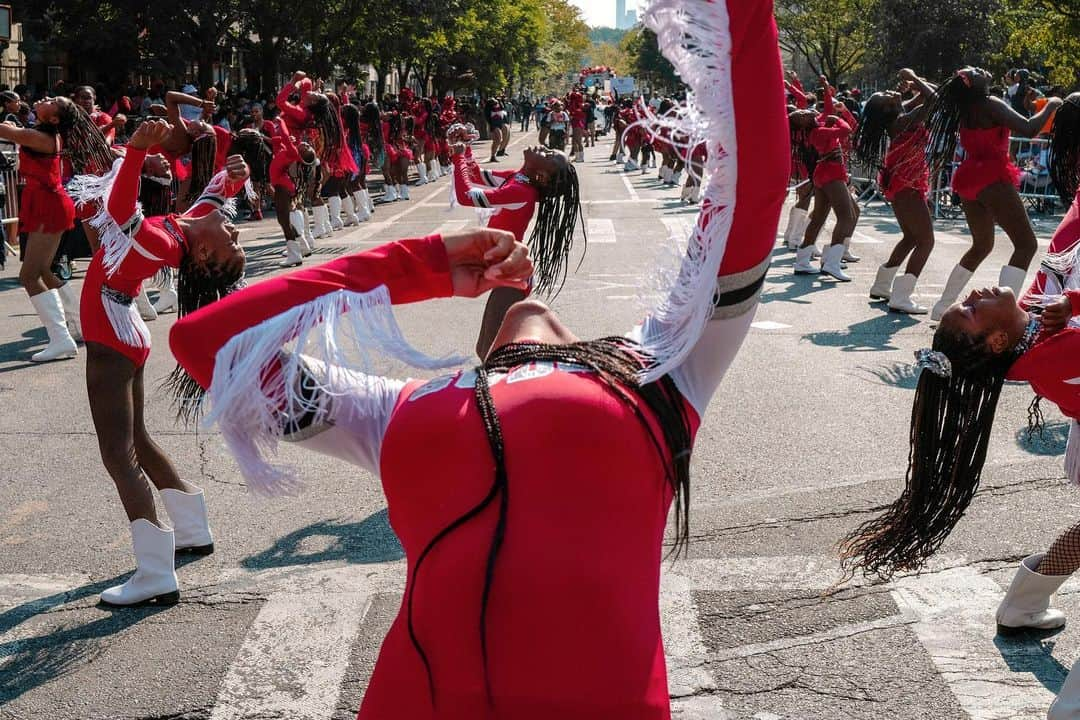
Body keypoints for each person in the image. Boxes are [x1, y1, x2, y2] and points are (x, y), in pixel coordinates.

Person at [168, 1, 785, 716]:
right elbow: (203, 344)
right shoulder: (648, 384)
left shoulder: (662, 376)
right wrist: (415, 263)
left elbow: (750, 191)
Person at [68, 118, 249, 606]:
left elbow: (120, 208)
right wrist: (235, 176)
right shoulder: (188, 227)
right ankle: (192, 528)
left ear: (205, 253)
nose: (235, 230)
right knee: (138, 441)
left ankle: (154, 573)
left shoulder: (164, 243)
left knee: (117, 454)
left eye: (233, 243)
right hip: (123, 323)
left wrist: (134, 149)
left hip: (111, 333)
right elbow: (215, 194)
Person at [925, 67, 1062, 319]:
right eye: (976, 72)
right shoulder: (990, 103)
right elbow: (1029, 129)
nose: (981, 69)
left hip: (969, 178)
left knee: (981, 245)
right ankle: (1002, 314)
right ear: (974, 85)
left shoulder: (965, 107)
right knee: (1026, 245)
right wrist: (1052, 103)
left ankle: (942, 306)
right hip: (993, 177)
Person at [449, 126, 584, 357]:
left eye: (549, 155)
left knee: (489, 350)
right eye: (550, 149)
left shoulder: (522, 192)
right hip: (507, 269)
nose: (544, 148)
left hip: (512, 275)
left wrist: (458, 157)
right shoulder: (519, 178)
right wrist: (466, 147)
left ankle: (517, 380)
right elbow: (475, 175)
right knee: (489, 348)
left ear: (541, 176)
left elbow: (465, 196)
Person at [0, 95, 114, 361]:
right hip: (47, 202)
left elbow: (5, 130)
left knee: (29, 276)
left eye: (52, 101)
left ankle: (61, 338)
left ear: (53, 118)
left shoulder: (41, 138)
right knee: (42, 270)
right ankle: (76, 325)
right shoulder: (43, 132)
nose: (45, 98)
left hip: (48, 205)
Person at [855, 68, 937, 314]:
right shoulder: (902, 121)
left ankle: (882, 286)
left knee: (911, 238)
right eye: (886, 96)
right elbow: (934, 99)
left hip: (903, 183)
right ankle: (902, 296)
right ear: (887, 110)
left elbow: (929, 89)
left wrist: (914, 83)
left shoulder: (902, 114)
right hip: (907, 183)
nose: (890, 92)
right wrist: (914, 76)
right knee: (926, 241)